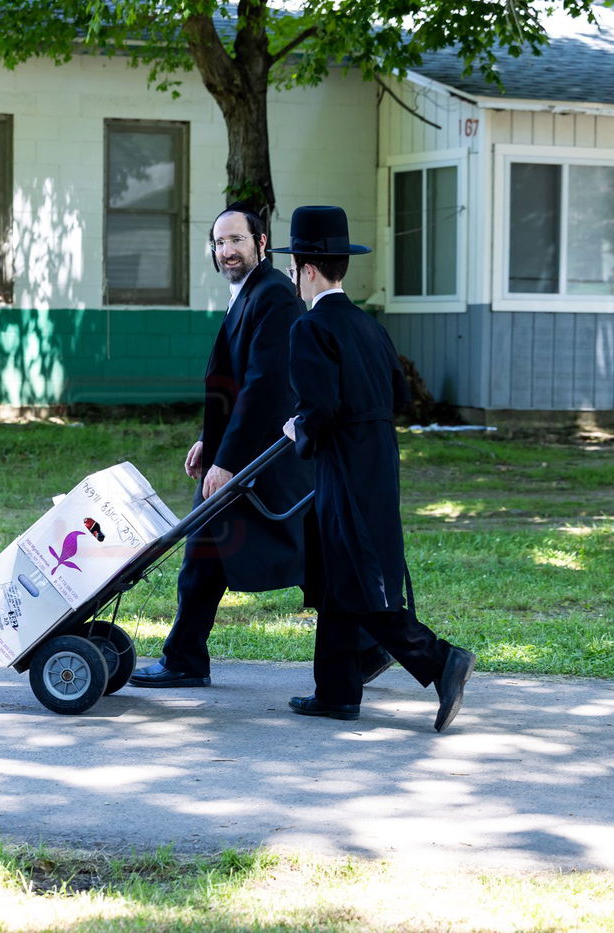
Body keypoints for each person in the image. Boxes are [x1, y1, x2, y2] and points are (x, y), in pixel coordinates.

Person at [130, 203, 393, 688]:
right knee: (213, 556)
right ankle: (186, 655)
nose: (227, 250)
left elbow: (265, 386)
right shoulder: (249, 293)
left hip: (266, 463)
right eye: (220, 242)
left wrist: (227, 460)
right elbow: (237, 382)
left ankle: (372, 644)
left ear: (262, 244)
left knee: (311, 557)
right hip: (251, 454)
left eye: (237, 241)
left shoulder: (272, 294)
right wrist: (210, 440)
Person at [272, 205, 475, 730]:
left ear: (307, 269)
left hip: (343, 467)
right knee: (343, 574)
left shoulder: (309, 327)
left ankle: (439, 659)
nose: (293, 278)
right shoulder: (368, 326)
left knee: (358, 576)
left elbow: (318, 407)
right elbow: (400, 394)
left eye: (294, 268)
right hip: (379, 463)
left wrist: (301, 430)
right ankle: (337, 692)